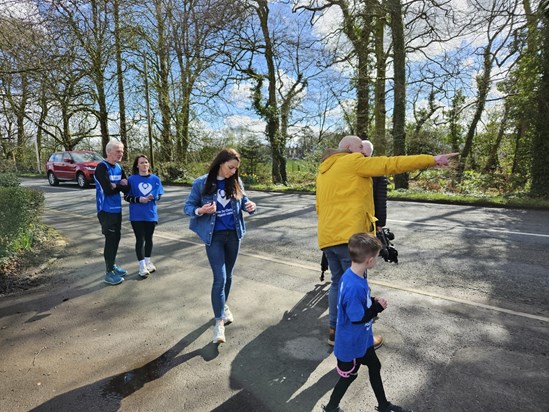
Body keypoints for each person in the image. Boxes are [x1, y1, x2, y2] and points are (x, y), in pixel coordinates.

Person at [317, 135, 457, 345]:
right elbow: (390, 164)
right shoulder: (352, 161)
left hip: (328, 238)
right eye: (359, 147)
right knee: (358, 287)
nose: (363, 151)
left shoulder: (323, 171)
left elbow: (319, 207)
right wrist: (431, 159)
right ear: (347, 147)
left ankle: (334, 331)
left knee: (338, 283)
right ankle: (361, 338)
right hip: (352, 238)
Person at [322, 233, 412, 412]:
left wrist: (370, 300)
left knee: (374, 366)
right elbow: (357, 317)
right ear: (370, 260)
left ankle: (384, 406)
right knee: (349, 377)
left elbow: (354, 304)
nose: (377, 260)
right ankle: (331, 408)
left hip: (361, 339)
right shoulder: (354, 285)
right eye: (377, 257)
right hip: (353, 343)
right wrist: (377, 308)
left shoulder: (351, 275)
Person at [184, 148, 256, 344]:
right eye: (230, 167)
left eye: (235, 169)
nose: (233, 172)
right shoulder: (201, 183)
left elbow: (245, 201)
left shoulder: (235, 181)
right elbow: (188, 207)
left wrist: (251, 207)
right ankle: (219, 324)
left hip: (234, 235)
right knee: (220, 278)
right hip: (214, 237)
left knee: (229, 276)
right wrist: (200, 210)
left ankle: (223, 306)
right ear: (220, 163)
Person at [94, 140, 130, 285]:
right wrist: (118, 185)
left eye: (122, 151)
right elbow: (108, 190)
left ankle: (113, 266)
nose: (121, 154)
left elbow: (127, 187)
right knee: (110, 240)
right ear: (109, 152)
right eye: (118, 151)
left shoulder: (119, 167)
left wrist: (118, 185)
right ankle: (108, 273)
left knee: (116, 239)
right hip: (105, 211)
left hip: (117, 210)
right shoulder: (101, 167)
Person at [124, 154, 164, 278]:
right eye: (141, 162)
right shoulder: (131, 180)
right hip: (137, 215)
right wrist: (139, 199)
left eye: (146, 162)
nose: (145, 164)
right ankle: (142, 266)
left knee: (149, 239)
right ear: (137, 165)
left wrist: (155, 197)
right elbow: (126, 197)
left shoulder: (155, 179)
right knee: (140, 240)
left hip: (151, 215)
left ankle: (148, 262)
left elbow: (159, 194)